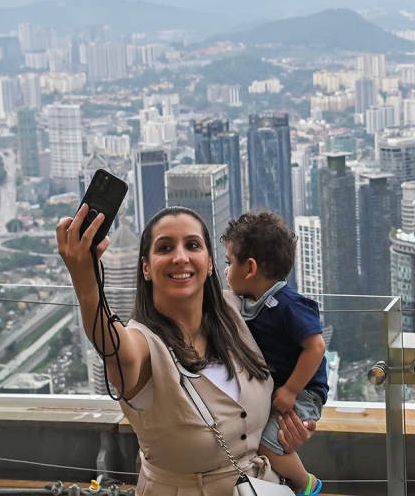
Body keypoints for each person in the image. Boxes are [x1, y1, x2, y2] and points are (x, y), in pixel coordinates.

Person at [57, 204, 315, 495]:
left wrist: (287, 429)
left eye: (192, 245)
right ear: (146, 268)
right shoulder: (142, 344)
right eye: (165, 248)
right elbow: (112, 346)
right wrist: (86, 280)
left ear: (210, 263)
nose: (180, 257)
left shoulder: (235, 311)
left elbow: (302, 350)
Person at [221, 213, 327, 496]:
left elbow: (316, 347)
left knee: (267, 443)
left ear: (250, 268)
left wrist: (292, 390)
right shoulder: (249, 303)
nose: (226, 271)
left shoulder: (288, 304)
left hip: (305, 391)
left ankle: (305, 484)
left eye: (229, 263)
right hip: (280, 389)